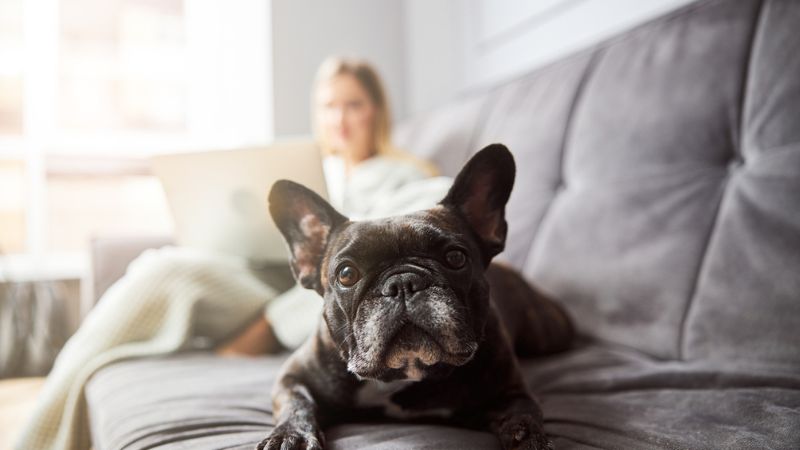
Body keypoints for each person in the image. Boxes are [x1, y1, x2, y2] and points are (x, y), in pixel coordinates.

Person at [14, 56, 452, 450]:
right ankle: (56, 412)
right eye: (328, 106)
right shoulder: (321, 174)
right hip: (261, 273)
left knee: (167, 276)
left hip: (290, 297)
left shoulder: (403, 175)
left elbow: (398, 252)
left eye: (353, 104)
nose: (340, 118)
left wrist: (268, 323)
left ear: (377, 109)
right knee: (157, 267)